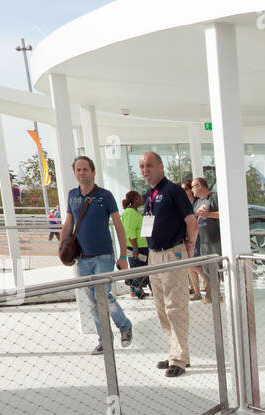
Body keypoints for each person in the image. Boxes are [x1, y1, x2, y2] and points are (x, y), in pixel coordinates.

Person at [62, 155, 132, 354]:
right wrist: (62, 247)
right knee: (92, 301)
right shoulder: (72, 196)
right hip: (81, 259)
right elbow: (68, 223)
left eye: (85, 169)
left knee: (105, 296)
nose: (82, 173)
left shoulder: (106, 196)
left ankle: (125, 326)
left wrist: (123, 256)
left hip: (103, 256)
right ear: (75, 173)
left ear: (93, 172)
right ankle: (105, 340)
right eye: (78, 170)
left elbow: (118, 226)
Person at [139, 151, 195, 377]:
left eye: (149, 165)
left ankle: (179, 359)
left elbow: (191, 221)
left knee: (175, 306)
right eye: (142, 166)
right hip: (154, 255)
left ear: (161, 167)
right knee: (161, 307)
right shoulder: (150, 194)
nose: (145, 169)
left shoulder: (173, 191)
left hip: (173, 253)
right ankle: (176, 351)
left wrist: (189, 248)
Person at [191, 177, 220, 302]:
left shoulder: (214, 197)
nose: (192, 190)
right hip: (203, 241)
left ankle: (215, 294)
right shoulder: (197, 203)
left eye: (193, 186)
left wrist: (209, 215)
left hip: (216, 239)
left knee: (218, 268)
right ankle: (212, 294)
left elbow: (224, 213)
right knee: (207, 269)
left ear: (199, 185)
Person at [122, 189, 151, 297]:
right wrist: (135, 248)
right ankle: (134, 285)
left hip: (141, 245)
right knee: (140, 268)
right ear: (135, 199)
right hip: (138, 246)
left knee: (138, 267)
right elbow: (130, 231)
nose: (142, 199)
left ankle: (136, 290)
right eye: (139, 197)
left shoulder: (134, 212)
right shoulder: (130, 212)